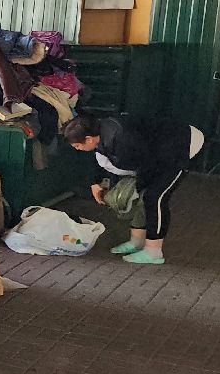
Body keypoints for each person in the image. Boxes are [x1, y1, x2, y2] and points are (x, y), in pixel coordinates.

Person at [64, 113, 204, 265]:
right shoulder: (100, 132)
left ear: (89, 139)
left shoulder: (123, 141)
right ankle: (137, 241)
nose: (77, 149)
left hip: (182, 145)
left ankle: (154, 251)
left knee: (154, 197)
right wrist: (95, 182)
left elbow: (148, 167)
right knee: (143, 195)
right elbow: (103, 159)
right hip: (154, 151)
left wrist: (134, 190)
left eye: (77, 146)